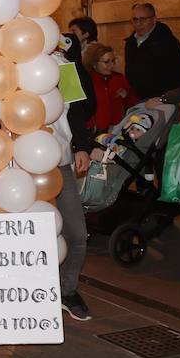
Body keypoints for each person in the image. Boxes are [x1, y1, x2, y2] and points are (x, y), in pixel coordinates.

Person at [54, 33, 99, 320]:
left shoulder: (62, 64)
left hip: (58, 161)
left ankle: (66, 290)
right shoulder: (8, 64)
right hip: (16, 166)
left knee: (76, 233)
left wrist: (82, 145)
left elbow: (77, 110)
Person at [123, 2, 180, 100]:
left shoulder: (167, 43)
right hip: (137, 100)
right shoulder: (130, 43)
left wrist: (166, 98)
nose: (138, 24)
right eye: (135, 20)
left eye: (143, 19)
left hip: (160, 100)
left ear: (154, 20)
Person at [84, 44, 133, 133]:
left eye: (113, 61)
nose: (111, 65)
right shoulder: (88, 82)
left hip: (117, 128)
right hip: (96, 130)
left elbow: (132, 104)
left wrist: (126, 96)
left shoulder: (119, 78)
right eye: (106, 62)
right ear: (94, 64)